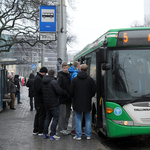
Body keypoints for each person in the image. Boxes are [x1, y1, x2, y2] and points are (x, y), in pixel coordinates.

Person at [70, 64, 96, 140]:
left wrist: (75, 97)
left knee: (78, 118)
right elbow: (94, 91)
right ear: (87, 70)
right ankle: (88, 135)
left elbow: (71, 91)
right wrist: (89, 96)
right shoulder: (90, 80)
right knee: (88, 118)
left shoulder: (75, 79)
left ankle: (78, 135)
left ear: (80, 69)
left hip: (77, 101)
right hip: (87, 101)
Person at [42, 69, 66, 140]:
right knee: (55, 118)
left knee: (48, 117)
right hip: (54, 103)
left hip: (46, 103)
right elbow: (59, 92)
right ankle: (52, 134)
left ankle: (45, 133)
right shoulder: (54, 82)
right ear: (54, 74)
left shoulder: (43, 81)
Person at [33, 67, 48, 136]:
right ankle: (40, 130)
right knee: (41, 115)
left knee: (38, 114)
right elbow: (39, 89)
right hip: (40, 100)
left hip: (37, 100)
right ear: (44, 73)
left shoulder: (37, 78)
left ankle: (36, 130)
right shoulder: (39, 79)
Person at [58, 62, 71, 135]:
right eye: (64, 68)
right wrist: (65, 93)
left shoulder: (68, 75)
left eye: (67, 68)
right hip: (63, 98)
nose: (66, 69)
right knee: (62, 114)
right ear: (62, 68)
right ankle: (61, 128)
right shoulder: (61, 76)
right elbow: (59, 87)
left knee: (67, 114)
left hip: (68, 98)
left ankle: (65, 128)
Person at [69, 61, 80, 135]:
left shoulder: (73, 72)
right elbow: (75, 86)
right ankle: (74, 129)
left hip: (74, 97)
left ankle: (75, 129)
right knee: (76, 114)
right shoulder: (75, 74)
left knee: (75, 113)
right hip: (76, 97)